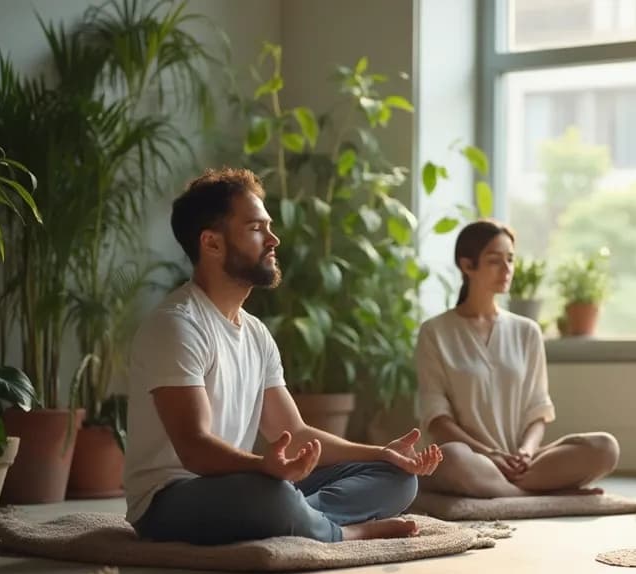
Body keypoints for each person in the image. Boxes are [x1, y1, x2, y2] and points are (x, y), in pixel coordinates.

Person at [126, 168, 442, 545]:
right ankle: (342, 530)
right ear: (211, 244)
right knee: (269, 495)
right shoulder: (177, 326)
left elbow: (296, 435)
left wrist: (383, 452)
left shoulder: (256, 333)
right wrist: (263, 467)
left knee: (397, 478)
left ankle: (301, 517)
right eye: (257, 228)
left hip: (244, 487)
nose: (274, 239)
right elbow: (194, 448)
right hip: (171, 500)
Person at [416, 220, 619, 497]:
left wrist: (526, 452)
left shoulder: (527, 331)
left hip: (523, 462)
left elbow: (538, 410)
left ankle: (505, 492)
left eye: (510, 259)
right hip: (474, 460)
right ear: (467, 265)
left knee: (605, 448)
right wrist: (491, 454)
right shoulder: (435, 332)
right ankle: (533, 496)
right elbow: (437, 420)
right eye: (494, 261)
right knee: (450, 458)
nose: (507, 268)